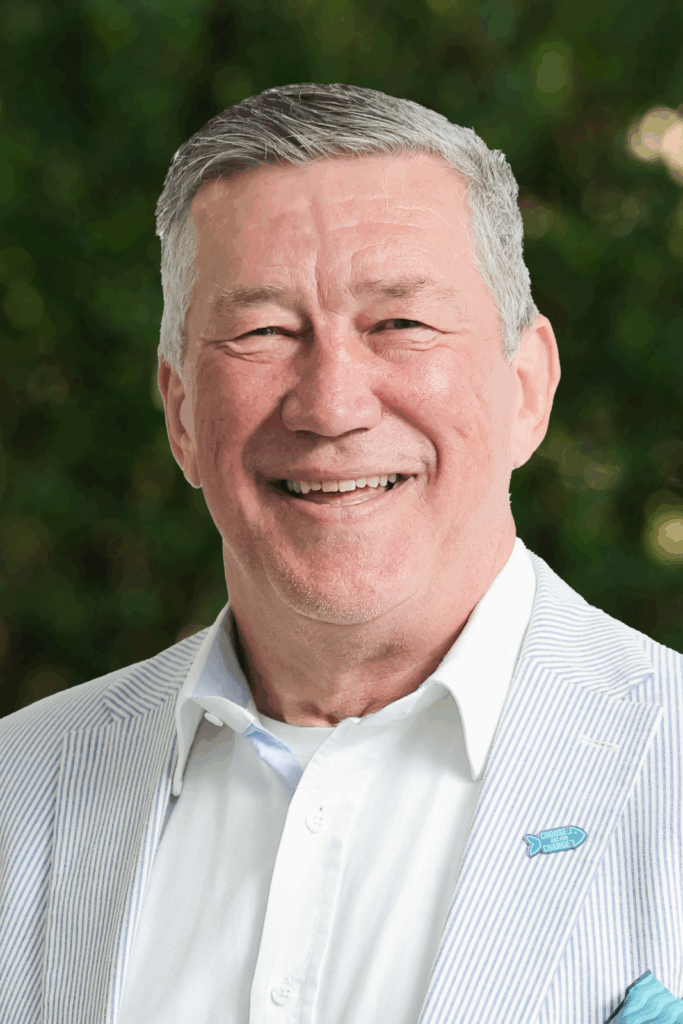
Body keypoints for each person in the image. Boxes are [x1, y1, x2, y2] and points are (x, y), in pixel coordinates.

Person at [0, 83, 680, 1024]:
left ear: (526, 387)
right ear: (182, 415)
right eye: (262, 332)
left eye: (399, 324)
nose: (329, 405)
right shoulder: (18, 789)